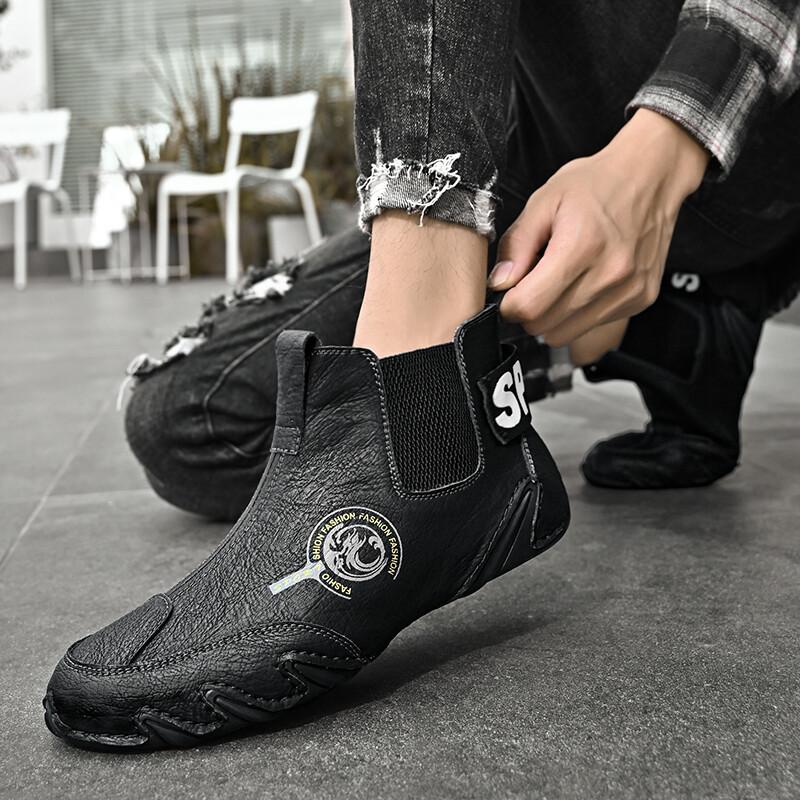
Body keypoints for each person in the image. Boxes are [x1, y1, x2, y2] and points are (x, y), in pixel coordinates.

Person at [44, 0, 799, 749]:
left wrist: (660, 151)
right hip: (535, 157)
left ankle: (419, 387)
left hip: (748, 133)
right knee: (189, 419)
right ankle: (673, 331)